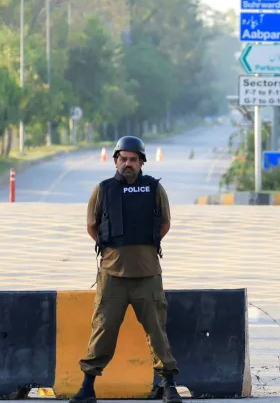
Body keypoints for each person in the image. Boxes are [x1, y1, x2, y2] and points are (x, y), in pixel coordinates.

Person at [70, 135, 181, 403]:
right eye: (123, 159)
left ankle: (168, 385)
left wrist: (142, 249)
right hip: (112, 277)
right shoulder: (103, 190)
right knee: (103, 330)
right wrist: (112, 250)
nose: (128, 164)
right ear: (116, 161)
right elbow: (91, 226)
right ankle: (87, 386)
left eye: (133, 159)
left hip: (147, 275)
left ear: (142, 162)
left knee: (157, 331)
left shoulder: (154, 189)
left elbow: (164, 223)